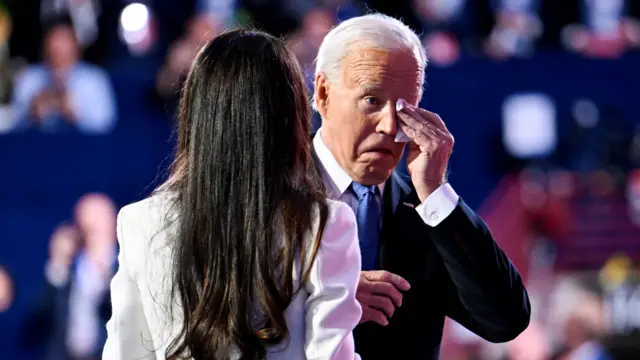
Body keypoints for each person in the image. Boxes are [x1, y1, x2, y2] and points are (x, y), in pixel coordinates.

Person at [103, 29, 362, 360]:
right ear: (289, 117)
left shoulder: (140, 221)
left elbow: (124, 353)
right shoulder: (324, 223)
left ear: (196, 116)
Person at [311, 13, 531, 359]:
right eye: (372, 100)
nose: (389, 125)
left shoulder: (429, 212)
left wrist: (437, 194)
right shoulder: (263, 189)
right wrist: (322, 297)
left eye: (404, 107)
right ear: (323, 93)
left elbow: (504, 320)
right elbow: (212, 311)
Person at [21, 193, 117, 360]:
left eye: (97, 224)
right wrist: (58, 264)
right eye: (85, 224)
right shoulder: (65, 272)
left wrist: (105, 274)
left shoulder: (128, 268)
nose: (91, 230)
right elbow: (35, 326)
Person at [11, 17, 116, 134]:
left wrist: (74, 113)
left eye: (64, 41)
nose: (58, 49)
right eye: (54, 43)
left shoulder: (94, 79)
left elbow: (105, 125)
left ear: (76, 45)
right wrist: (32, 113)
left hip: (83, 149)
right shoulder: (29, 78)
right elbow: (12, 125)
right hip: (36, 148)